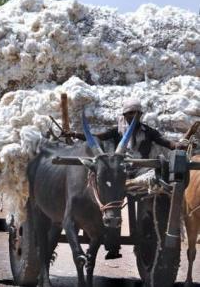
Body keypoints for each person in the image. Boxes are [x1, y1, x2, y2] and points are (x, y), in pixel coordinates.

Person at [64, 98, 188, 259]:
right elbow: (97, 137)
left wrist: (177, 145)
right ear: (124, 115)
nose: (133, 116)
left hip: (140, 173)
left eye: (136, 113)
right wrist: (75, 134)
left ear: (141, 115)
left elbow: (165, 142)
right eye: (130, 114)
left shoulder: (148, 131)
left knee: (153, 185)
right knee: (114, 208)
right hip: (118, 175)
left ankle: (150, 225)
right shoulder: (118, 131)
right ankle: (113, 246)